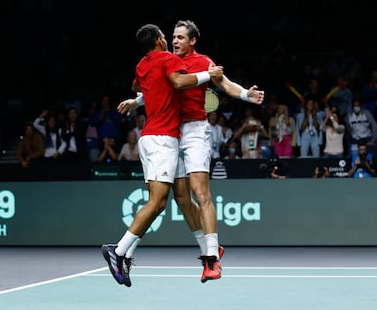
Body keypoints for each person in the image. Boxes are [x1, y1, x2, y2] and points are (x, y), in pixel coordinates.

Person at [117, 20, 264, 284]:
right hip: (170, 133)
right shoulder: (166, 60)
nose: (175, 41)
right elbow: (159, 88)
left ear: (192, 41)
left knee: (199, 191)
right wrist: (135, 101)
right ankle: (207, 249)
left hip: (195, 131)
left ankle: (212, 260)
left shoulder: (203, 61)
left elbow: (225, 83)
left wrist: (245, 95)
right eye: (173, 36)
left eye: (181, 37)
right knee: (182, 198)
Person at [101, 23, 224, 288]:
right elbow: (179, 81)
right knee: (157, 203)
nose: (171, 40)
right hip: (162, 139)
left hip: (153, 138)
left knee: (181, 196)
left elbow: (139, 83)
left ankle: (207, 252)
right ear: (159, 40)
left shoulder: (143, 64)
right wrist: (207, 74)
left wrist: (138, 99)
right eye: (167, 37)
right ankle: (119, 250)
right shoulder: (168, 59)